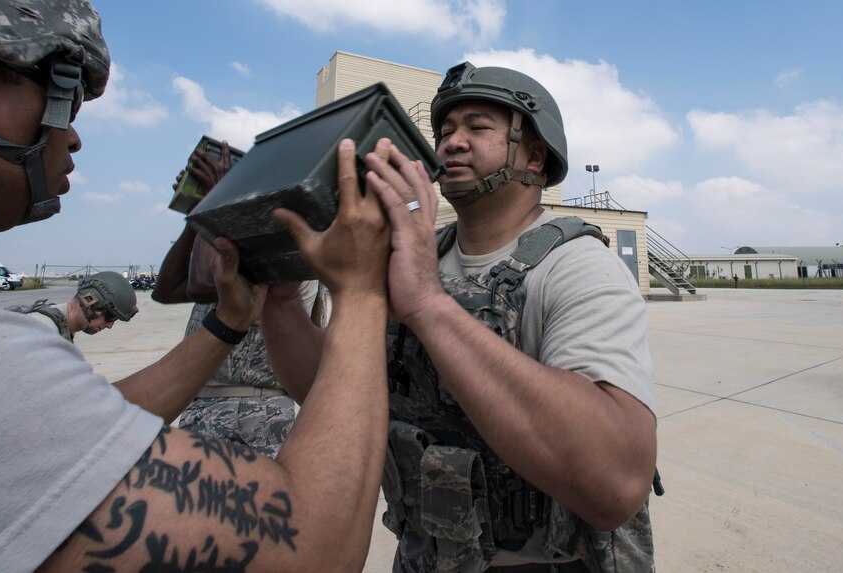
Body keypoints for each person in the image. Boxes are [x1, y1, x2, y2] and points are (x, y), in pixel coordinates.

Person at [0, 2, 408, 570]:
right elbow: (313, 550)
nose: (74, 135)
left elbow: (94, 430)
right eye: (65, 97)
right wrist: (361, 289)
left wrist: (224, 326)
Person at [261, 62, 659, 572]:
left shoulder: (577, 265)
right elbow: (326, 388)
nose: (451, 142)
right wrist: (279, 300)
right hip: (423, 557)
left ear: (534, 155)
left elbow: (617, 482)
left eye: (478, 127)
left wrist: (428, 303)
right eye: (445, 131)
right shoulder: (411, 255)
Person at [153, 145, 318, 458]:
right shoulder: (227, 242)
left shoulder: (282, 246)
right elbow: (167, 289)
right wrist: (197, 216)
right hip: (202, 401)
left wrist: (215, 203)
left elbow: (202, 286)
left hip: (255, 409)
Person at [7, 270, 139, 341]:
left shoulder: (62, 328)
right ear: (89, 302)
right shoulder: (43, 332)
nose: (110, 325)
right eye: (110, 316)